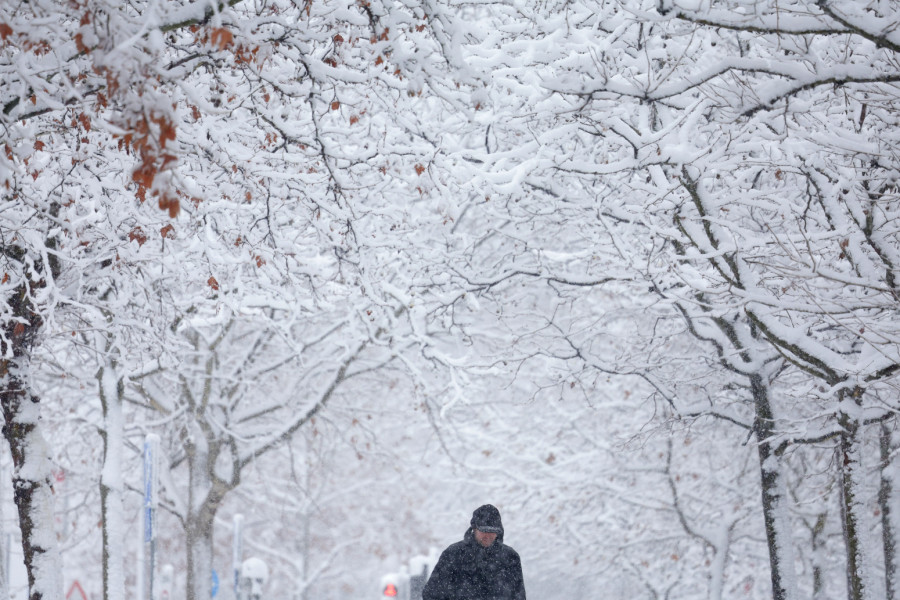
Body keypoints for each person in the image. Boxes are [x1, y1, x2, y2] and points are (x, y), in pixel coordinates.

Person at [422, 505, 526, 600]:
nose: (488, 535)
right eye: (484, 530)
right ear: (474, 529)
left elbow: (519, 595)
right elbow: (431, 593)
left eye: (492, 531)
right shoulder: (453, 554)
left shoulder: (510, 557)